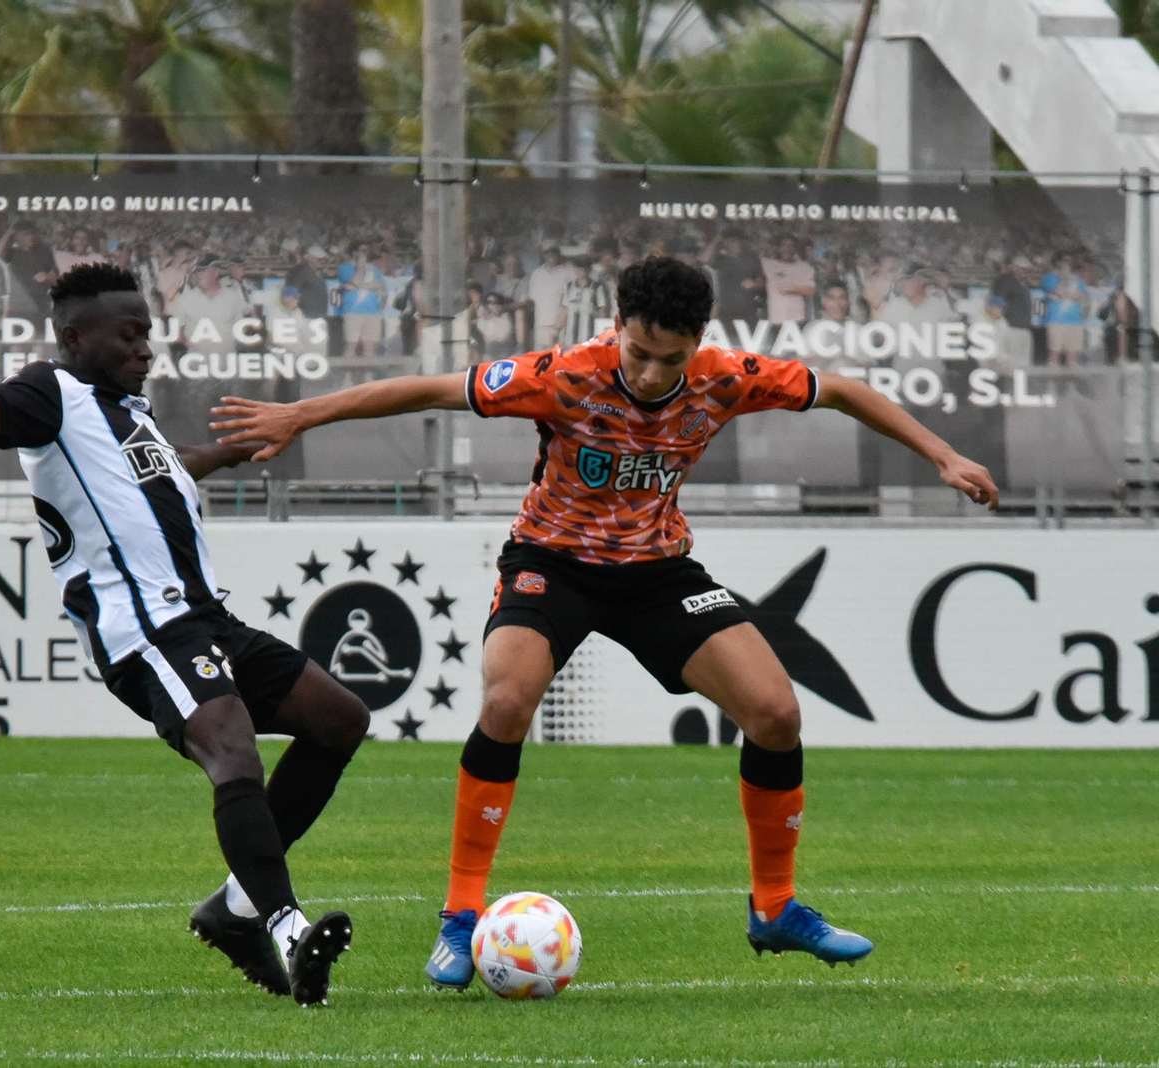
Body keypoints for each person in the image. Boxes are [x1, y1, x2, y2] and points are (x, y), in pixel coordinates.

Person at [212, 256, 1001, 989]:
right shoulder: (564, 376)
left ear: (702, 342)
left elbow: (846, 391)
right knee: (506, 703)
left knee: (776, 713)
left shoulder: (728, 378)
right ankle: (459, 920)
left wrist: (943, 458)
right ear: (616, 327)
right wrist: (301, 415)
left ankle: (776, 909)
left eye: (672, 357)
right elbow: (426, 389)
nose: (653, 372)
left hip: (657, 572)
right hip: (550, 565)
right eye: (639, 351)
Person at [0, 263, 368, 1005]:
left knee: (339, 720)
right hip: (146, 631)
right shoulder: (50, 393)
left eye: (148, 335)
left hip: (205, 619)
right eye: (129, 336)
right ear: (74, 337)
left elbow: (165, 471)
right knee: (232, 749)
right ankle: (286, 928)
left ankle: (233, 908)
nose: (145, 349)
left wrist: (239, 447)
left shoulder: (130, 410)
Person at [337, 242, 386, 357]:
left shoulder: (372, 268)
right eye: (362, 250)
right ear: (354, 252)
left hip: (372, 312)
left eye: (366, 251)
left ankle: (368, 375)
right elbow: (354, 281)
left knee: (370, 350)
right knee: (350, 348)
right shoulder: (345, 267)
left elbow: (379, 285)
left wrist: (357, 286)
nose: (365, 253)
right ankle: (347, 374)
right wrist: (359, 267)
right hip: (353, 311)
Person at [1040, 255, 1090, 366]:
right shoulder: (1050, 277)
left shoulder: (1077, 280)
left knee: (1072, 359)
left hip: (1075, 322)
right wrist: (1065, 290)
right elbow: (1058, 290)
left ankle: (1071, 381)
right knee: (1053, 356)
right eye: (1063, 262)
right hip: (1056, 321)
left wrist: (1063, 295)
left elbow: (1081, 295)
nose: (1066, 265)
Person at [760, 237, 816, 324]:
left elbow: (811, 290)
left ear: (795, 249)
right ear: (778, 248)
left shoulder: (804, 267)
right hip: (776, 321)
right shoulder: (768, 264)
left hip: (797, 320)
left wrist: (792, 288)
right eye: (784, 245)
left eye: (791, 246)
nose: (787, 248)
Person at [527, 246, 573, 348]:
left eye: (554, 251)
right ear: (543, 255)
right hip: (541, 325)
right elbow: (532, 299)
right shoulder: (536, 274)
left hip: (561, 325)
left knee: (559, 356)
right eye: (547, 252)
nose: (551, 254)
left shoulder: (568, 273)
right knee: (541, 357)